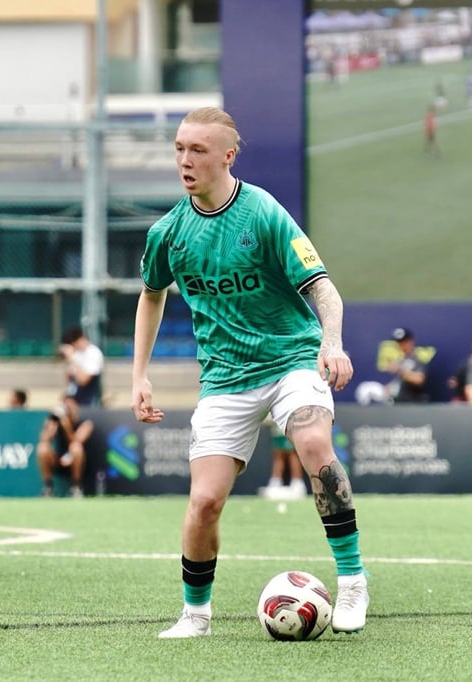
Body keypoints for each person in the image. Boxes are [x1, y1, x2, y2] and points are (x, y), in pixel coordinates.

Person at [132, 106, 367, 639]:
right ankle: (196, 614)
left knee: (313, 443)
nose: (185, 160)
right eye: (179, 149)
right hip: (224, 377)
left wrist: (331, 342)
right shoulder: (167, 232)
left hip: (291, 359)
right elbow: (151, 295)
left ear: (228, 156)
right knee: (204, 502)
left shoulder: (262, 212)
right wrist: (138, 375)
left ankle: (353, 581)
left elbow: (323, 288)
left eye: (198, 150)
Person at [36, 395, 94, 498]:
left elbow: (76, 441)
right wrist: (51, 425)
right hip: (58, 460)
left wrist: (67, 426)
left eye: (70, 407)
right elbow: (43, 439)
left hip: (78, 462)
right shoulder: (56, 422)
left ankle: (76, 486)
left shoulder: (86, 423)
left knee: (76, 447)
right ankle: (48, 487)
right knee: (42, 447)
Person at [258, 424, 306, 501]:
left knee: (292, 454)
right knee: (278, 454)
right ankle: (276, 482)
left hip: (291, 427)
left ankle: (297, 483)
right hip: (278, 428)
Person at [60, 325, 104, 406]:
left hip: (89, 402)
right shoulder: (77, 354)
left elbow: (83, 380)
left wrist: (72, 359)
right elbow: (69, 381)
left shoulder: (93, 353)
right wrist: (67, 361)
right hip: (76, 400)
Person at [386, 327, 429, 403]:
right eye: (399, 342)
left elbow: (419, 379)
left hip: (412, 403)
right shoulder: (401, 361)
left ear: (410, 342)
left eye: (404, 342)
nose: (401, 345)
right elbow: (399, 383)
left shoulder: (418, 360)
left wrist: (399, 370)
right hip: (399, 402)